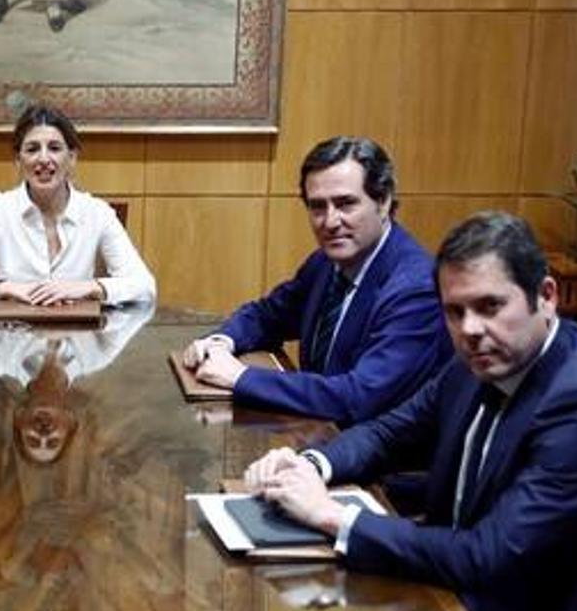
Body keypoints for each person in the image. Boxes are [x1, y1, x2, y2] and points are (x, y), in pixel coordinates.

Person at [243, 211, 577, 611]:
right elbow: (394, 430)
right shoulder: (480, 361)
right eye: (454, 311)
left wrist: (333, 516)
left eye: (490, 306)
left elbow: (488, 557)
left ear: (545, 297)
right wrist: (311, 463)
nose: (469, 329)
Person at [182, 136, 449, 425]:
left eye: (346, 204)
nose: (330, 221)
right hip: (315, 434)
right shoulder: (325, 263)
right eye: (318, 207)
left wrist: (241, 377)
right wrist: (221, 342)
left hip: (381, 462)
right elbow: (267, 315)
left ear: (383, 202)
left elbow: (358, 398)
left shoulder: (416, 289)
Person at [0, 103, 156, 307]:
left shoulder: (98, 213)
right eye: (32, 149)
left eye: (54, 148)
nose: (43, 159)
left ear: (71, 158)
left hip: (79, 341)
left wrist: (88, 287)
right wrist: (4, 287)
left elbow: (144, 286)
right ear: (18, 160)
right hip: (13, 340)